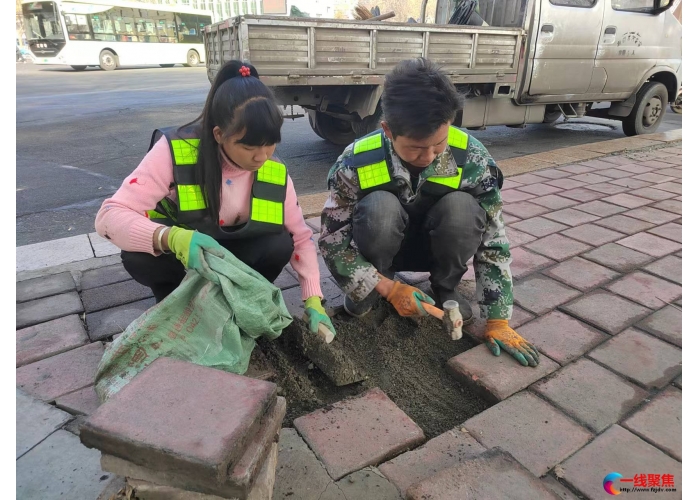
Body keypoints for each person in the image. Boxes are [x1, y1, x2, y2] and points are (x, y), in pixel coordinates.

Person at [319, 57, 539, 367]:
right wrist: (383, 285)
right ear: (388, 130)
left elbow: (493, 240)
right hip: (380, 250)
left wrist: (497, 318)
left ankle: (444, 287)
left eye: (438, 144)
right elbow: (333, 240)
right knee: (379, 207)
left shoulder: (471, 157)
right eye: (416, 148)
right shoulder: (356, 162)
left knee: (463, 209)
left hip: (438, 247)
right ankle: (373, 290)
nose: (429, 156)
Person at [95, 60, 335, 338]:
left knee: (280, 242)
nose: (262, 156)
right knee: (139, 254)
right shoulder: (177, 151)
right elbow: (109, 217)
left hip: (235, 260)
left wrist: (313, 300)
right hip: (187, 260)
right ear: (219, 135)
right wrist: (171, 238)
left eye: (270, 143)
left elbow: (301, 237)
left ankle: (236, 301)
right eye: (248, 147)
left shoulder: (271, 169)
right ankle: (176, 298)